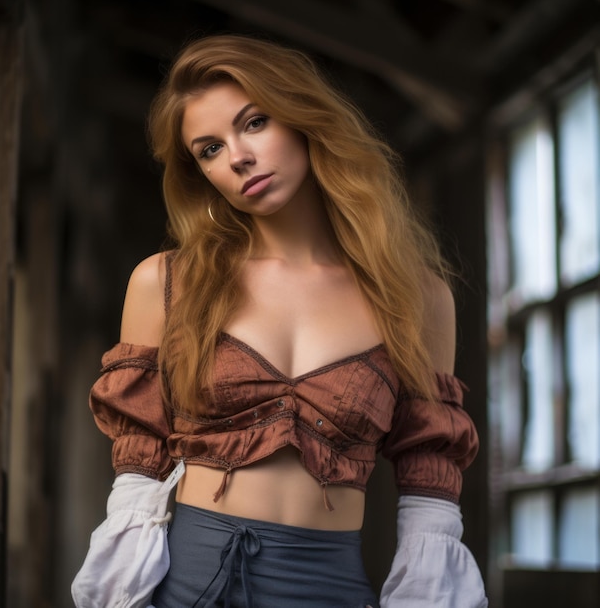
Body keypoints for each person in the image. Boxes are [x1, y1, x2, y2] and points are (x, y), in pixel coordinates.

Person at [71, 34, 488, 607]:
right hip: (190, 580)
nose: (237, 156)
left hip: (330, 584)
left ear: (303, 119)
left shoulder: (417, 297)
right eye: (209, 149)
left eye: (255, 122)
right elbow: (138, 472)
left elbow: (429, 477)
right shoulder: (165, 282)